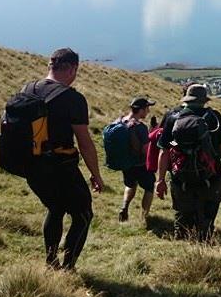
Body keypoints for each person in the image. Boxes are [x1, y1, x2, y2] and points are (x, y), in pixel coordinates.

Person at [24, 48, 104, 270]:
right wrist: (95, 174)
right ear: (72, 68)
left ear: (51, 66)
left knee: (55, 208)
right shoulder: (72, 98)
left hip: (31, 167)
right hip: (60, 167)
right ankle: (68, 267)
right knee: (83, 214)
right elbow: (85, 142)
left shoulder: (28, 89)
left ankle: (51, 261)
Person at [156, 84, 221, 240]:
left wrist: (161, 179)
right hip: (211, 178)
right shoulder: (214, 118)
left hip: (181, 180)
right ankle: (203, 248)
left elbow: (164, 151)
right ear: (204, 100)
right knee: (207, 220)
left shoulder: (172, 117)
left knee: (182, 220)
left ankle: (184, 252)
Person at [118, 97, 157, 223]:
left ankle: (124, 207)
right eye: (147, 108)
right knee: (149, 188)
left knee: (130, 184)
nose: (148, 111)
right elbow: (145, 150)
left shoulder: (120, 121)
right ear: (141, 109)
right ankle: (144, 217)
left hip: (126, 163)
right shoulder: (140, 127)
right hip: (140, 164)